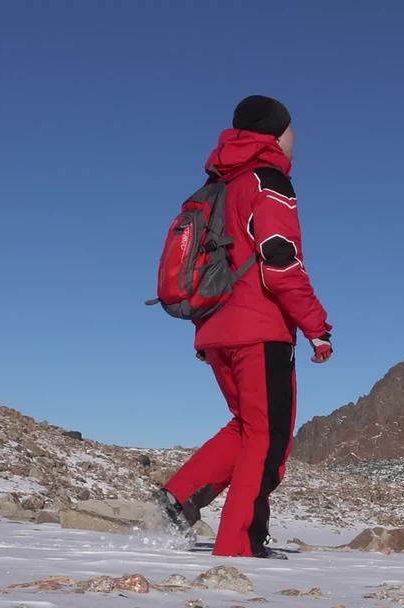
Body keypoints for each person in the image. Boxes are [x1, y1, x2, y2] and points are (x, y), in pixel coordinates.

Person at [156, 95, 333, 558]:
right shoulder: (266, 180)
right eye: (293, 130)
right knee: (269, 439)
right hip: (261, 328)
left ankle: (181, 496)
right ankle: (241, 544)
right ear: (277, 133)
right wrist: (316, 325)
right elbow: (279, 259)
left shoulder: (214, 186)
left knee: (249, 425)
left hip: (213, 328)